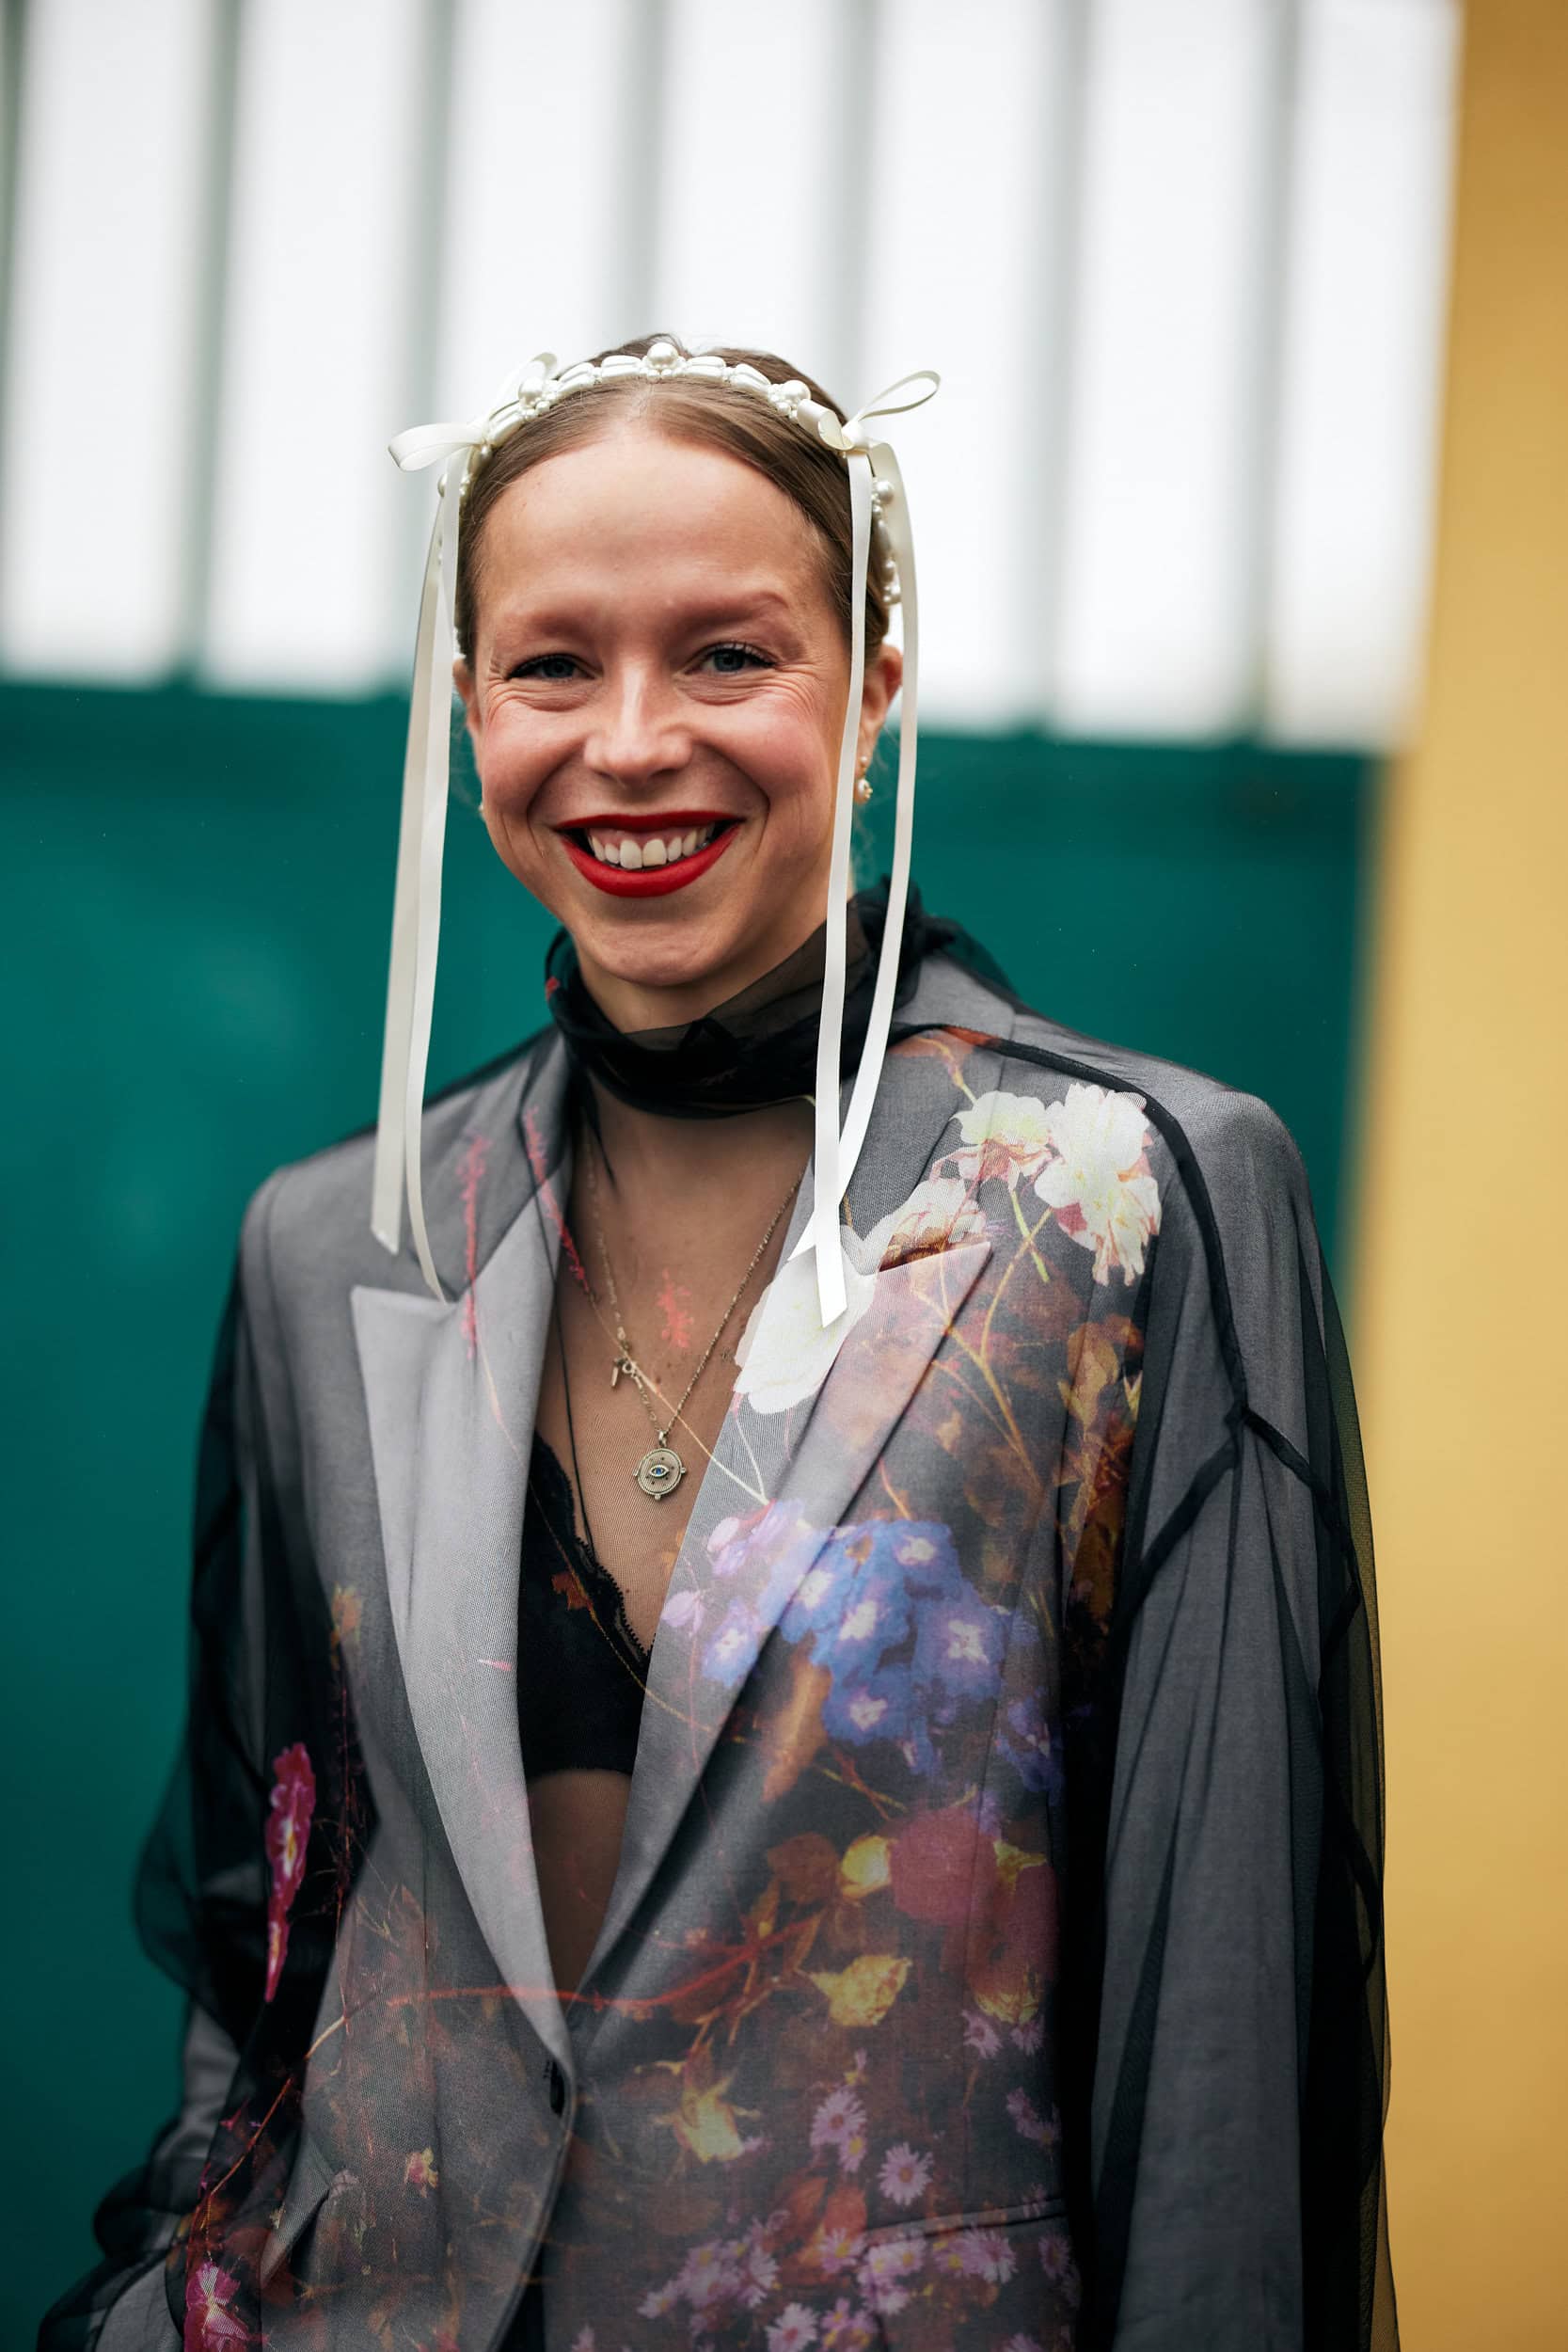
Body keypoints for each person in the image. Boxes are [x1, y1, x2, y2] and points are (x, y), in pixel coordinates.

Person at [41, 335, 1395, 2352]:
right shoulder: (332, 1247)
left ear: (875, 686)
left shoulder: (1132, 1202)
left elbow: (1224, 2030)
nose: (631, 741)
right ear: (469, 710)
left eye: (730, 655)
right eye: (552, 665)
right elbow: (267, 1953)